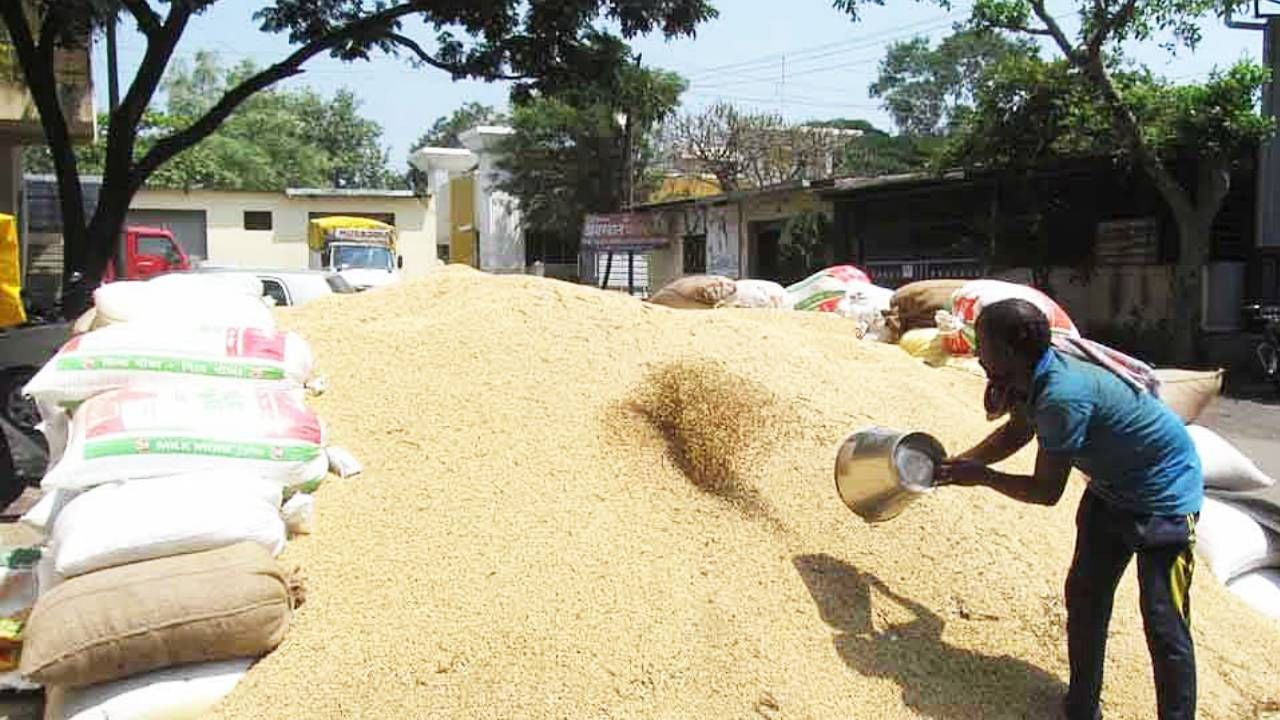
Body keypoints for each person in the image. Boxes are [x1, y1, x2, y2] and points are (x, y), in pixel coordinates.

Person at [937, 298, 1202, 720]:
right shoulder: (1031, 378)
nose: (977, 352)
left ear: (1010, 349)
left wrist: (982, 477)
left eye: (982, 343)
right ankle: (1081, 707)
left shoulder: (1062, 397)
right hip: (1111, 491)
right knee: (1085, 597)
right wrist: (959, 463)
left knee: (1163, 622)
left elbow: (1046, 492)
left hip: (1164, 498)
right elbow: (1016, 433)